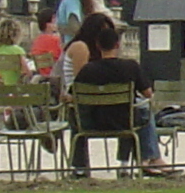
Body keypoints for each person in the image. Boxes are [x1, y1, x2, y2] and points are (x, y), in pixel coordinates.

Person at [68, 12, 177, 177]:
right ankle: (139, 161)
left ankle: (80, 167)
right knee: (140, 110)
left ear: (97, 45)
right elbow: (148, 94)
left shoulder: (88, 70)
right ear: (117, 44)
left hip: (92, 123)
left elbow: (74, 94)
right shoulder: (131, 66)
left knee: (75, 115)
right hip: (123, 121)